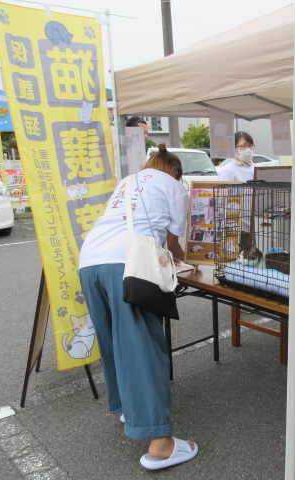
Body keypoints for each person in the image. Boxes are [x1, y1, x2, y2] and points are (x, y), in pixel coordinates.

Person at [78, 144, 198, 470]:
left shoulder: (127, 181)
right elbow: (172, 242)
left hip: (90, 262)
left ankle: (127, 409)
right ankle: (160, 443)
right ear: (175, 171)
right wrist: (190, 262)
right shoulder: (174, 187)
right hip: (127, 264)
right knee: (142, 346)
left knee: (113, 343)